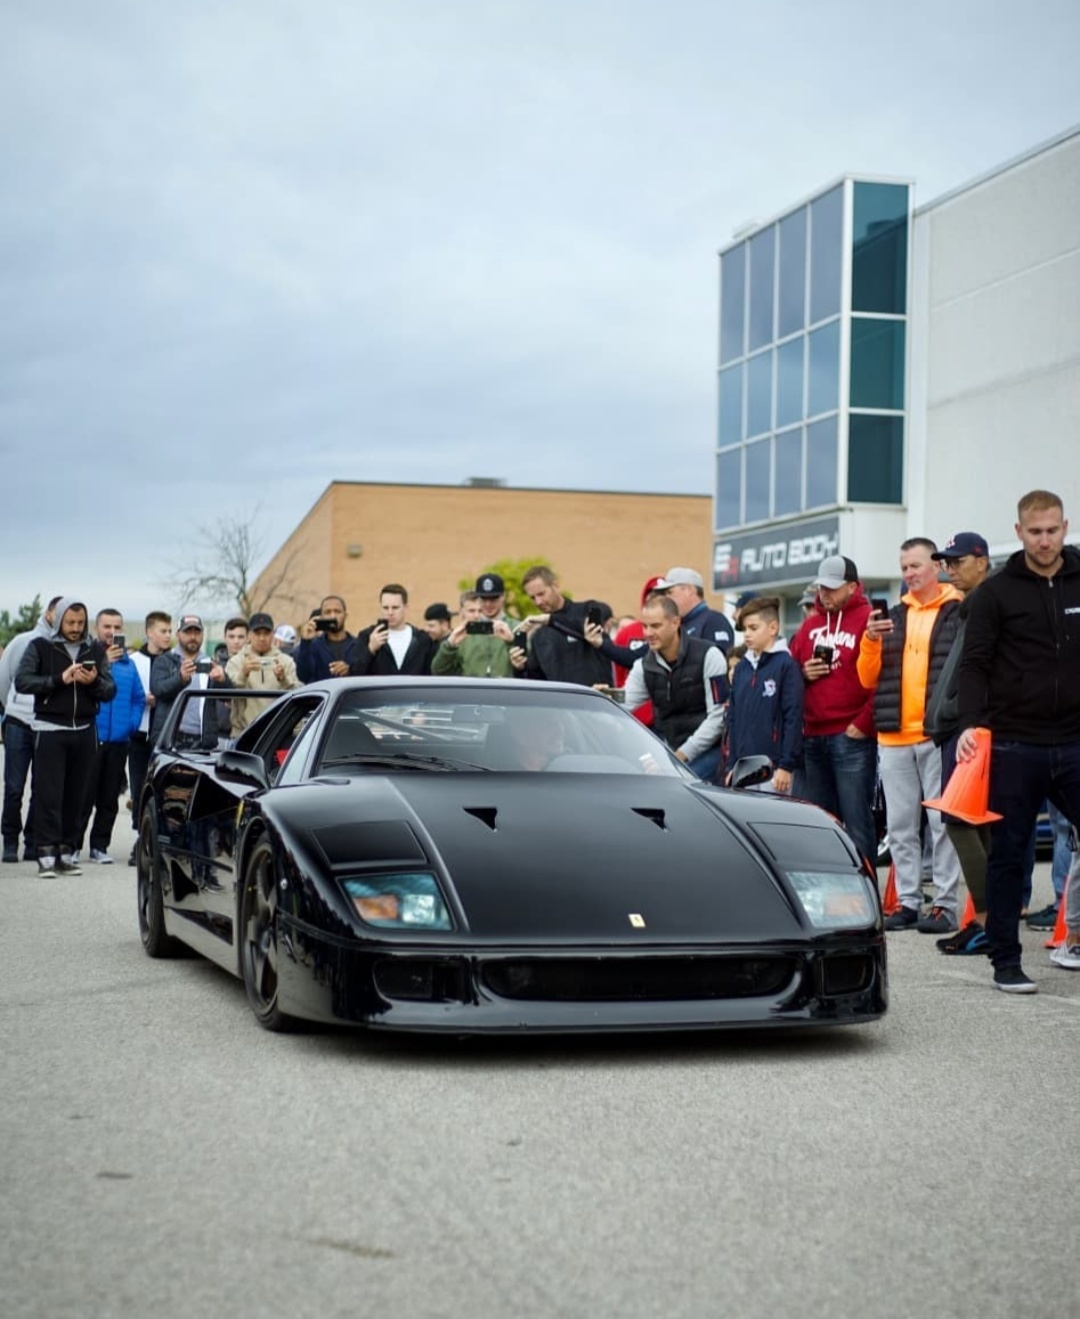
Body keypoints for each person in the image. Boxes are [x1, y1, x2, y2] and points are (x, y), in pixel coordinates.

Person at [956, 489, 1080, 994]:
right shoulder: (995, 593)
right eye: (1035, 532)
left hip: (1074, 741)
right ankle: (1005, 959)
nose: (1045, 540)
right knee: (1010, 854)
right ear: (1019, 532)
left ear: (1065, 527)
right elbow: (974, 664)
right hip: (1015, 743)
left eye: (1053, 530)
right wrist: (969, 722)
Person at [858, 539, 962, 933]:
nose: (909, 574)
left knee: (942, 824)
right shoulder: (893, 617)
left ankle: (946, 905)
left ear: (936, 565)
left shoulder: (956, 611)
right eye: (903, 567)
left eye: (916, 565)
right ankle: (907, 903)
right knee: (900, 827)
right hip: (893, 736)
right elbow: (867, 678)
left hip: (936, 735)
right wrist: (870, 639)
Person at [922, 532, 994, 954]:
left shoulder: (991, 603)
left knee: (963, 821)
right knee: (975, 824)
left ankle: (987, 919)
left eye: (956, 560)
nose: (949, 568)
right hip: (958, 727)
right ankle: (987, 919)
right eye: (945, 561)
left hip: (972, 730)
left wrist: (956, 713)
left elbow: (985, 670)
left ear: (981, 561)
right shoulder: (969, 605)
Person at [15, 598, 116, 876]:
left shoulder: (94, 648)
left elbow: (110, 690)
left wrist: (92, 681)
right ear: (58, 620)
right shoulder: (40, 646)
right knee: (49, 795)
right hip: (50, 729)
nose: (75, 627)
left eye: (80, 623)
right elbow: (23, 681)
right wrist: (60, 679)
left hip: (84, 731)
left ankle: (66, 852)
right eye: (70, 622)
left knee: (77, 797)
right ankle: (45, 853)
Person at [788, 557, 877, 867]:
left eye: (832, 588)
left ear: (852, 587)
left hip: (851, 735)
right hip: (812, 735)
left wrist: (864, 723)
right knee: (819, 823)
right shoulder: (810, 625)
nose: (825, 594)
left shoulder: (868, 618)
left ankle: (866, 898)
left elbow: (884, 678)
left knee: (856, 821)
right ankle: (827, 895)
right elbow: (788, 675)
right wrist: (802, 673)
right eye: (821, 587)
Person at [621, 592, 728, 781]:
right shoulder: (643, 665)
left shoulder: (709, 655)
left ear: (675, 622)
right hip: (670, 751)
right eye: (645, 626)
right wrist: (599, 696)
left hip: (711, 750)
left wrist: (679, 756)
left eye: (655, 626)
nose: (648, 633)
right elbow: (623, 703)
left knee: (680, 784)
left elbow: (718, 717)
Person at [77, 609, 145, 864]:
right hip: (91, 738)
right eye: (107, 626)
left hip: (119, 740)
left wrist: (131, 724)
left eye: (117, 626)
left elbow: (138, 698)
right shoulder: (87, 658)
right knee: (83, 796)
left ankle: (99, 847)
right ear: (97, 629)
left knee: (109, 799)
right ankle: (73, 846)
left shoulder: (129, 665)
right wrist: (102, 660)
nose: (112, 632)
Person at [0, 595, 60, 862]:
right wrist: (10, 709)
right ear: (49, 614)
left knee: (42, 786)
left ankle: (33, 842)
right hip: (18, 722)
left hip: (48, 725)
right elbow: (4, 679)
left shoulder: (64, 647)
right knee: (14, 786)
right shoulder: (22, 641)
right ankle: (10, 840)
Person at [722, 597, 802, 794]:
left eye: (753, 628)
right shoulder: (741, 668)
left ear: (773, 628)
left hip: (773, 769)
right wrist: (732, 764)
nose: (747, 634)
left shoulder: (786, 665)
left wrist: (786, 766)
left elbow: (793, 717)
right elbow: (733, 718)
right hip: (743, 768)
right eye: (745, 629)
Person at [513, 566, 612, 687]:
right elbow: (537, 681)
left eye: (541, 594)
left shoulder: (587, 610)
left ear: (555, 585)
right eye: (533, 598)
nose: (538, 602)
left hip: (594, 700)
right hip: (559, 703)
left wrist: (551, 620)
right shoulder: (539, 635)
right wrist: (520, 668)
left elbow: (590, 627)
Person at [127, 610, 172, 862]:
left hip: (164, 734)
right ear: (149, 632)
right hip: (139, 733)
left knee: (160, 789)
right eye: (163, 631)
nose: (167, 636)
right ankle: (140, 836)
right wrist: (141, 699)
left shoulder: (173, 661)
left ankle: (156, 838)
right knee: (138, 787)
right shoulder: (134, 660)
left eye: (169, 631)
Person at [151, 614, 231, 749]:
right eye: (188, 632)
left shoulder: (210, 662)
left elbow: (228, 696)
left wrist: (222, 680)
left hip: (202, 740)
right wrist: (180, 678)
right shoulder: (165, 660)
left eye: (197, 632)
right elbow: (158, 689)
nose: (193, 636)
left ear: (203, 635)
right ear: (178, 634)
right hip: (170, 738)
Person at [226, 612, 302, 733]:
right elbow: (227, 694)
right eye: (257, 633)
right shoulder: (236, 662)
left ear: (273, 635)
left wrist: (283, 679)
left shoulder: (285, 661)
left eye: (266, 633)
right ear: (250, 635)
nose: (262, 638)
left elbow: (299, 694)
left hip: (276, 733)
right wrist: (243, 674)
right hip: (243, 732)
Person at [433, 574, 520, 679]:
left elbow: (527, 668)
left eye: (493, 599)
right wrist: (450, 646)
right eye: (483, 599)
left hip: (506, 692)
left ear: (503, 597)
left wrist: (511, 642)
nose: (488, 604)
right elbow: (438, 671)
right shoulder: (465, 630)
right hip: (472, 693)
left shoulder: (517, 627)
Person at [351, 585, 435, 676]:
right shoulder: (367, 636)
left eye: (395, 608)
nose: (390, 612)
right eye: (385, 608)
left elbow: (431, 675)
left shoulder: (422, 639)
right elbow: (354, 673)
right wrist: (370, 649)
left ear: (405, 607)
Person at [654, 567, 735, 654]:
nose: (667, 598)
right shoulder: (676, 625)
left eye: (670, 592)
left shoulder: (714, 621)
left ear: (689, 590)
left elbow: (717, 660)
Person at [294, 596, 358, 682]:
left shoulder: (358, 645)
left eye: (337, 611)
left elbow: (366, 675)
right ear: (322, 617)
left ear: (345, 615)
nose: (333, 616)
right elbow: (304, 676)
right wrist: (305, 641)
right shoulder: (314, 646)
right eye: (328, 612)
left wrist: (350, 670)